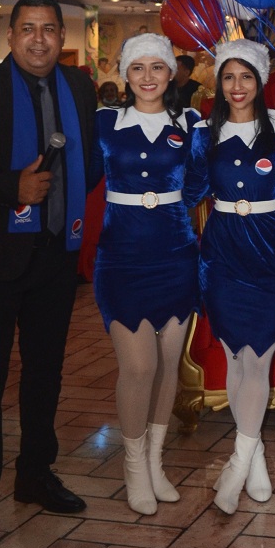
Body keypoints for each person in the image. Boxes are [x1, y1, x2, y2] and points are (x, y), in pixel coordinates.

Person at [0, 0, 97, 548]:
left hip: (56, 256)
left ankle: (35, 474)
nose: (40, 39)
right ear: (10, 36)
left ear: (62, 37)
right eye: (28, 29)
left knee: (45, 374)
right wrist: (10, 187)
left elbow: (90, 160)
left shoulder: (80, 87)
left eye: (50, 30)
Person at [184, 39, 275, 514]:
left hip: (266, 248)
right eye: (229, 77)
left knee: (259, 357)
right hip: (220, 252)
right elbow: (191, 190)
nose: (237, 87)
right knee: (236, 357)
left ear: (260, 82)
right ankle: (252, 453)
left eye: (247, 77)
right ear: (219, 83)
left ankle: (237, 462)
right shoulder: (203, 133)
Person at [92, 33, 199, 515]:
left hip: (176, 253)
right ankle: (133, 464)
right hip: (123, 255)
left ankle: (156, 463)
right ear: (125, 73)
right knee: (139, 367)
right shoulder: (104, 123)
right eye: (139, 68)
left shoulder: (191, 122)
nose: (149, 77)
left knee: (167, 366)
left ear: (171, 73)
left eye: (158, 67)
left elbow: (206, 176)